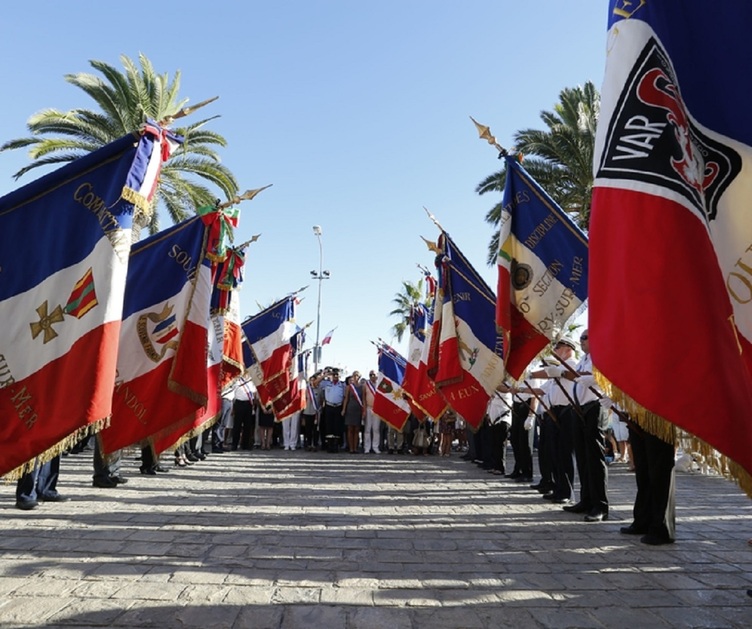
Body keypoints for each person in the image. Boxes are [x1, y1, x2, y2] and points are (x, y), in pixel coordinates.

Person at [562, 329, 610, 522]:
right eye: (580, 338)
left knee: (594, 458)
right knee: (582, 457)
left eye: (585, 337)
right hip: (579, 409)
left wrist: (594, 378)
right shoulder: (585, 359)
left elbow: (607, 374)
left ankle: (600, 505)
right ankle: (586, 500)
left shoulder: (600, 356)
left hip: (594, 407)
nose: (581, 341)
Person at [529, 337, 578, 504]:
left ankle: (566, 491)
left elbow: (568, 376)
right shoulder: (560, 367)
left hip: (567, 411)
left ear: (567, 348)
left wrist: (560, 372)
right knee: (555, 453)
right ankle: (558, 488)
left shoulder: (573, 363)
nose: (556, 351)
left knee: (564, 453)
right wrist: (527, 377)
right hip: (554, 412)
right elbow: (547, 376)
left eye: (558, 347)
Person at [621, 420, 676, 545]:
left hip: (658, 413)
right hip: (636, 414)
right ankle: (643, 520)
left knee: (659, 470)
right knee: (642, 470)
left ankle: (662, 527)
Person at [322, 368, 345, 451]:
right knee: (329, 426)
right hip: (329, 406)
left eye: (337, 375)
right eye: (334, 375)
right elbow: (315, 383)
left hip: (338, 407)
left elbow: (345, 397)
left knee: (337, 426)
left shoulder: (342, 385)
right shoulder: (326, 384)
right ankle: (329, 444)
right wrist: (325, 375)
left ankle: (336, 444)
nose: (335, 376)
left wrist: (343, 409)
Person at [342, 372, 364, 453]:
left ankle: (355, 447)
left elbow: (364, 399)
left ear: (359, 377)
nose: (355, 377)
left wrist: (364, 410)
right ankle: (351, 448)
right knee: (350, 429)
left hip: (358, 410)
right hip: (350, 409)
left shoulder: (362, 387)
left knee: (357, 429)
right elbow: (346, 399)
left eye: (357, 376)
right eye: (354, 376)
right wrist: (344, 409)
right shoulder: (349, 387)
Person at [231, 378, 255, 451]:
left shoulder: (251, 381)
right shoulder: (237, 381)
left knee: (247, 425)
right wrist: (233, 407)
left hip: (248, 404)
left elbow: (253, 392)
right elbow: (233, 394)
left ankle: (246, 444)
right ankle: (234, 444)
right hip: (239, 403)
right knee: (237, 425)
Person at [362, 371, 382, 454]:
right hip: (368, 408)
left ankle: (375, 447)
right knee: (367, 428)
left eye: (374, 375)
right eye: (370, 375)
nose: (372, 376)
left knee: (376, 429)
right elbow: (363, 397)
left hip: (377, 409)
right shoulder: (366, 385)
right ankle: (367, 447)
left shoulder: (380, 384)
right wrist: (364, 409)